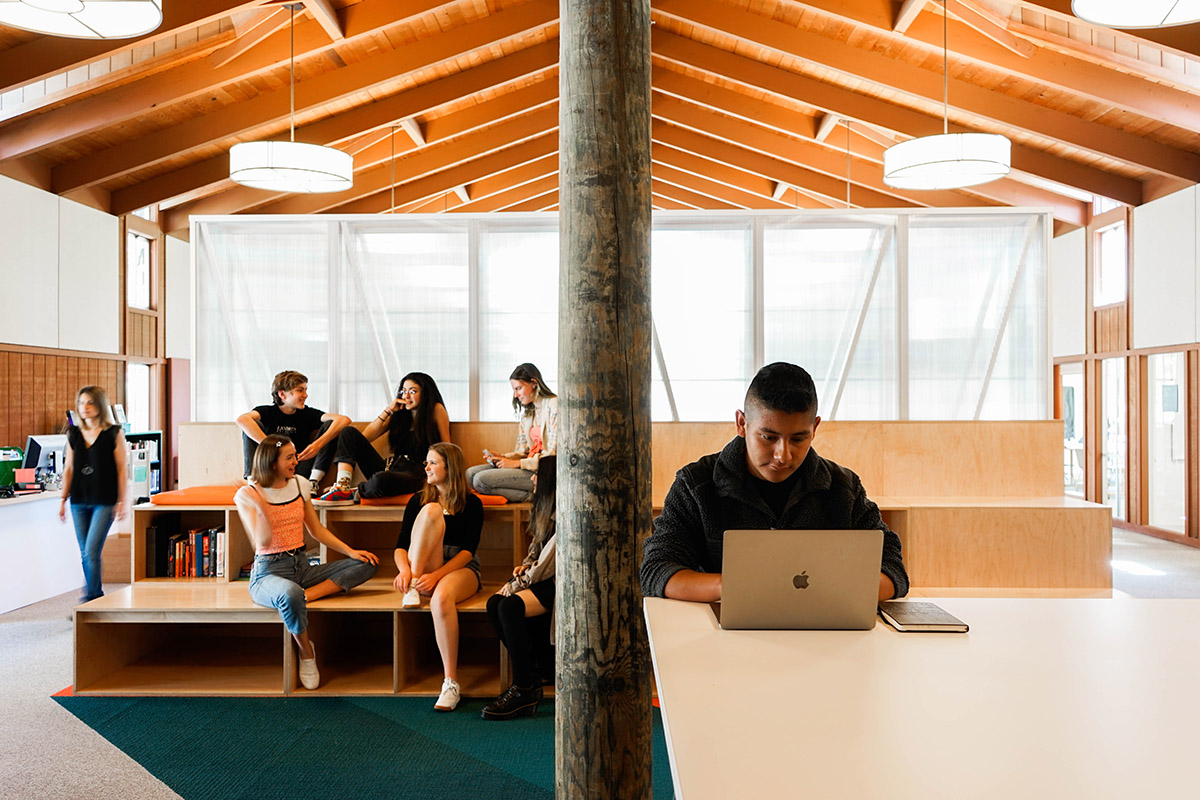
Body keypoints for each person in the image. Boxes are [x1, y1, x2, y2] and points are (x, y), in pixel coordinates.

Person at [640, 362, 908, 603]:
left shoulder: (843, 488)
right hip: (724, 643)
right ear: (742, 423)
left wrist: (827, 591)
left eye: (798, 439)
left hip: (825, 641)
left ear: (815, 428)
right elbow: (657, 570)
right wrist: (739, 587)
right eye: (768, 437)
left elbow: (893, 570)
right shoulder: (695, 485)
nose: (783, 455)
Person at [234, 435, 379, 691]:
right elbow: (262, 542)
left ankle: (304, 596)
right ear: (272, 462)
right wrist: (261, 507)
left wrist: (350, 551)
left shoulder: (300, 483)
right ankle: (306, 653)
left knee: (367, 564)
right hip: (268, 573)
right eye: (289, 457)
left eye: (295, 455)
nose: (296, 460)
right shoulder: (248, 494)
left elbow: (316, 530)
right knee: (288, 593)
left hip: (301, 568)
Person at [393, 442, 484, 712]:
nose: (427, 467)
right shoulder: (418, 500)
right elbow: (400, 545)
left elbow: (469, 551)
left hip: (460, 567)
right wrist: (406, 571)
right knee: (432, 510)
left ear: (449, 467)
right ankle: (412, 585)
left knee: (441, 599)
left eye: (433, 462)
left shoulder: (472, 502)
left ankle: (450, 682)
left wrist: (437, 576)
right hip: (421, 563)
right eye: (427, 462)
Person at [481, 455, 557, 720]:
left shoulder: (566, 516)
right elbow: (535, 553)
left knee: (510, 606)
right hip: (543, 580)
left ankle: (525, 688)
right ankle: (534, 673)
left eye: (537, 474)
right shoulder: (543, 509)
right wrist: (523, 567)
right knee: (494, 604)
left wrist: (516, 584)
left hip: (561, 585)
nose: (532, 478)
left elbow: (548, 565)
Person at [314, 372, 451, 505]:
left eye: (413, 391)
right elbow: (364, 438)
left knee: (381, 480)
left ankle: (356, 492)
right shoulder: (400, 414)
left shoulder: (435, 410)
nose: (406, 396)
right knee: (348, 432)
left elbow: (447, 448)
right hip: (391, 467)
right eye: (403, 391)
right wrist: (388, 410)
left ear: (425, 394)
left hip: (417, 473)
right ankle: (342, 486)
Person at [59, 386, 127, 604]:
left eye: (89, 402)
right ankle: (94, 596)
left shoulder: (113, 433)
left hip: (104, 501)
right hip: (78, 500)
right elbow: (68, 468)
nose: (84, 407)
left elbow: (121, 469)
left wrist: (122, 500)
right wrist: (62, 499)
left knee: (90, 551)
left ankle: (92, 598)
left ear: (99, 405)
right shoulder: (73, 434)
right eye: (80, 403)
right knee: (86, 553)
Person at [236, 370, 350, 484]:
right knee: (252, 424)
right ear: (282, 394)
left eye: (305, 390)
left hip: (298, 466)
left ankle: (313, 483)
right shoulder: (267, 412)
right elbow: (242, 420)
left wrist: (316, 446)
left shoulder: (308, 414)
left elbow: (343, 420)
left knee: (332, 425)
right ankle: (253, 482)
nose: (305, 395)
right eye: (300, 390)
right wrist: (272, 447)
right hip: (271, 466)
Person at [467, 363, 558, 502]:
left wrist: (516, 464)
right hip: (528, 465)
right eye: (514, 390)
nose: (516, 395)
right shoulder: (528, 413)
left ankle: (534, 495)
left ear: (533, 383)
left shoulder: (553, 405)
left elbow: (553, 454)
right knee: (470, 474)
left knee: (480, 480)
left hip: (543, 471)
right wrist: (503, 457)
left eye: (519, 388)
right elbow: (524, 451)